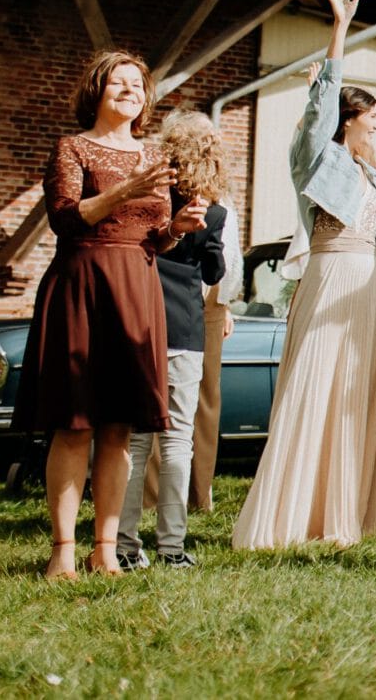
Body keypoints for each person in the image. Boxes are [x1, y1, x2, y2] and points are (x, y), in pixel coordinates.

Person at [15, 51, 207, 580]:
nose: (129, 91)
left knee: (120, 427)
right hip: (82, 285)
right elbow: (64, 218)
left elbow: (157, 236)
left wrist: (180, 228)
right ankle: (61, 551)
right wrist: (124, 191)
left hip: (137, 288)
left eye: (137, 86)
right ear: (96, 92)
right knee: (75, 425)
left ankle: (105, 549)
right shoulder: (71, 147)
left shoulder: (153, 156)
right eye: (118, 83)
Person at [233, 0, 376, 550]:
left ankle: (351, 515)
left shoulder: (373, 173)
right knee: (315, 390)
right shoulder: (316, 159)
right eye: (373, 113)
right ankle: (296, 515)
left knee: (358, 396)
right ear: (349, 116)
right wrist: (339, 30)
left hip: (368, 294)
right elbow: (318, 110)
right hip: (329, 279)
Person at [115, 110, 229, 570]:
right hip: (184, 326)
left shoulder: (145, 200)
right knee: (179, 439)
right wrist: (205, 240)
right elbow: (215, 272)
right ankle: (172, 547)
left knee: (137, 442)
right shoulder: (214, 211)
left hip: (140, 322)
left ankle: (123, 545)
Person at [188, 122, 243, 515]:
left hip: (212, 303)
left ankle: (199, 492)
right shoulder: (173, 192)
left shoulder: (226, 200)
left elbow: (231, 255)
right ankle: (154, 492)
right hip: (175, 296)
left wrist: (225, 304)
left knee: (206, 400)